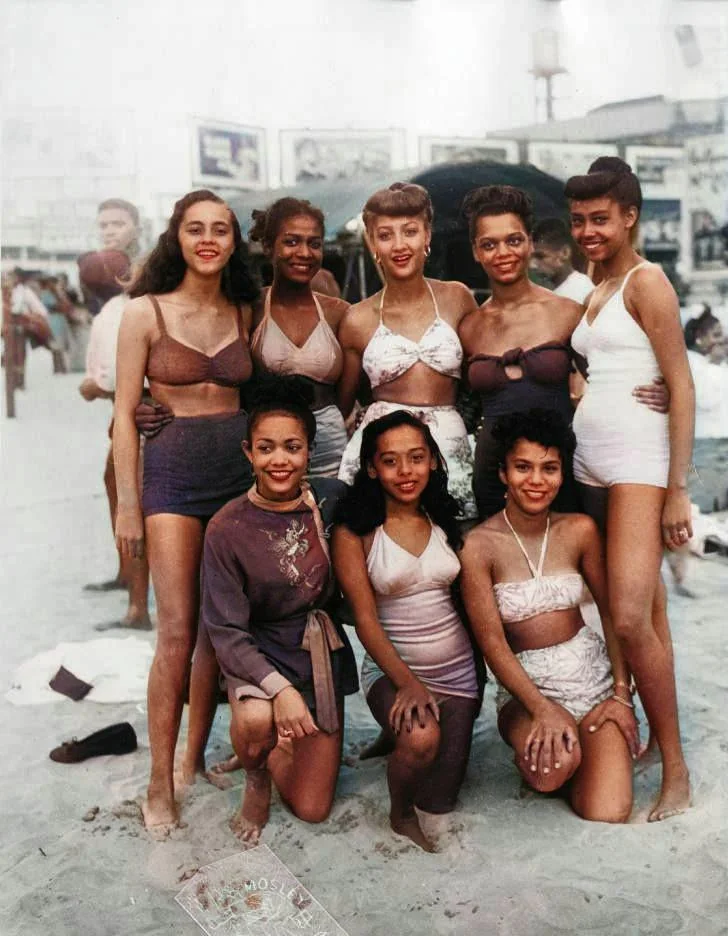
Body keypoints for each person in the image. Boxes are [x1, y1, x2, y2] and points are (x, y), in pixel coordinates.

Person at [113, 189, 259, 834]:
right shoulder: (143, 313)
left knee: (213, 632)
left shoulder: (246, 309)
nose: (208, 239)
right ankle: (158, 785)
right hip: (170, 477)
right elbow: (123, 414)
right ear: (176, 237)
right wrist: (127, 504)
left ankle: (192, 760)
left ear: (233, 241)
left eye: (221, 230)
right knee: (175, 630)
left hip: (235, 473)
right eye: (195, 229)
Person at [565, 156, 693, 821]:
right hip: (590, 459)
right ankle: (649, 738)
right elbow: (601, 360)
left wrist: (678, 489)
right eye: (580, 220)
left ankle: (676, 769)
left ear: (630, 217)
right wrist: (578, 384)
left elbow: (683, 382)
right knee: (637, 608)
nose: (588, 231)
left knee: (626, 617)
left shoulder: (649, 282)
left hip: (638, 464)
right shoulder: (595, 281)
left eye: (601, 219)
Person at [459, 410, 638, 822]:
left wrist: (621, 691)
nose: (536, 481)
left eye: (549, 469)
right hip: (527, 690)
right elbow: (491, 644)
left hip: (590, 679)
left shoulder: (580, 530)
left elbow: (612, 615)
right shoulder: (478, 546)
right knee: (551, 774)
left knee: (608, 811)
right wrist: (540, 707)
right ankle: (568, 756)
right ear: (503, 473)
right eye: (523, 467)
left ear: (561, 474)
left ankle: (590, 757)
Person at [202, 379, 358, 843]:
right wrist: (279, 692)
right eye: (266, 448)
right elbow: (226, 632)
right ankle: (256, 774)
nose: (279, 460)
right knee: (255, 720)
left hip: (314, 651)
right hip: (257, 653)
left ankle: (277, 746)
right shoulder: (226, 527)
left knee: (313, 808)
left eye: (292, 447)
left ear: (309, 451)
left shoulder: (330, 501)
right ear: (248, 452)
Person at [459, 185, 667, 520]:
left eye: (513, 240)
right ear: (475, 251)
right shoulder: (468, 327)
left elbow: (608, 380)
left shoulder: (568, 313)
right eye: (489, 244)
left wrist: (661, 390)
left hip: (560, 471)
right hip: (493, 476)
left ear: (529, 242)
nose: (503, 253)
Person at [333, 412, 479, 852]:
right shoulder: (355, 532)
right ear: (373, 468)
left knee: (441, 799)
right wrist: (410, 685)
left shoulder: (444, 518)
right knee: (420, 742)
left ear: (433, 460)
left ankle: (393, 737)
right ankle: (398, 814)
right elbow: (365, 621)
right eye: (391, 461)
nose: (405, 471)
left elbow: (466, 606)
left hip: (458, 677)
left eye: (416, 458)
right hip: (392, 673)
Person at [337, 182, 478, 518]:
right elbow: (343, 403)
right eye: (385, 235)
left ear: (427, 235)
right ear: (372, 242)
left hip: (449, 449)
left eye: (410, 232)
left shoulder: (457, 298)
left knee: (458, 545)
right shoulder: (357, 319)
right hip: (384, 453)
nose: (399, 245)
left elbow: (481, 372)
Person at [248, 198, 349, 478]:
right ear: (269, 246)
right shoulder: (251, 309)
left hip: (328, 444)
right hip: (269, 447)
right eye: (291, 242)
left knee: (328, 517)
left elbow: (352, 393)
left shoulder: (338, 312)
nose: (304, 253)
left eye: (314, 244)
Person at [79, 278, 152, 631]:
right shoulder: (120, 309)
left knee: (132, 501)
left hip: (143, 417)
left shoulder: (138, 310)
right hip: (127, 416)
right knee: (115, 485)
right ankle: (126, 575)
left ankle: (138, 608)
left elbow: (112, 379)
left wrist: (94, 386)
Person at [530, 218, 594, 304]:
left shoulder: (580, 292)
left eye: (540, 257)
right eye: (530, 257)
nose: (532, 265)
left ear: (564, 253)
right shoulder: (556, 292)